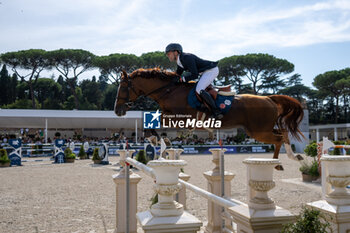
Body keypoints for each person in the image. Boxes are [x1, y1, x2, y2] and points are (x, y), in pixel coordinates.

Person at [165, 43, 223, 119]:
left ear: (176, 52)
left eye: (169, 53)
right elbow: (178, 74)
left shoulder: (187, 58)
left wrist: (182, 79)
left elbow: (194, 75)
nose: (168, 56)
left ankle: (216, 111)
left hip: (211, 70)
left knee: (199, 89)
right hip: (205, 72)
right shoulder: (180, 61)